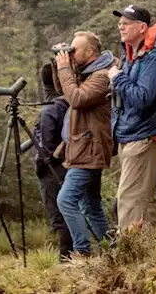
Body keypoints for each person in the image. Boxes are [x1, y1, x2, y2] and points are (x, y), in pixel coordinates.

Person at [108, 5, 156, 231]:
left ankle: (128, 258)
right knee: (148, 202)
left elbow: (143, 98)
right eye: (120, 23)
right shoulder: (132, 55)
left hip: (145, 135)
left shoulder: (155, 58)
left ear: (142, 27)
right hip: (131, 134)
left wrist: (117, 79)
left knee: (128, 200)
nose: (121, 26)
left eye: (126, 23)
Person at [54, 32, 117, 257]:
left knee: (66, 200)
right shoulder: (88, 73)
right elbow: (63, 90)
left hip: (90, 149)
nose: (71, 53)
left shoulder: (102, 76)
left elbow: (77, 99)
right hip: (84, 147)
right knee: (90, 205)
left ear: (90, 52)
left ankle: (83, 252)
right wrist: (61, 66)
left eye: (75, 50)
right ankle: (113, 250)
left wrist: (64, 70)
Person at [32, 62, 74, 261]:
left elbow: (45, 147)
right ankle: (74, 254)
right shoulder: (70, 103)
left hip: (53, 169)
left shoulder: (50, 110)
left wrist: (39, 166)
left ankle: (66, 258)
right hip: (70, 163)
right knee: (71, 210)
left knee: (60, 216)